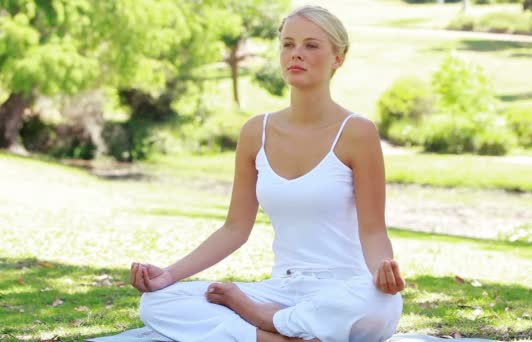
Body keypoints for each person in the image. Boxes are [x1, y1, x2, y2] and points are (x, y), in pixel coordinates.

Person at [130, 5, 405, 342]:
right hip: (281, 289)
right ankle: (279, 335)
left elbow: (374, 231)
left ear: (338, 57)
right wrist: (168, 275)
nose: (296, 54)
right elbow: (234, 229)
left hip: (343, 289)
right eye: (288, 44)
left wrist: (381, 269)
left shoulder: (357, 132)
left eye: (311, 45)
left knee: (381, 304)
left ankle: (263, 322)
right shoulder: (255, 131)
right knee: (158, 303)